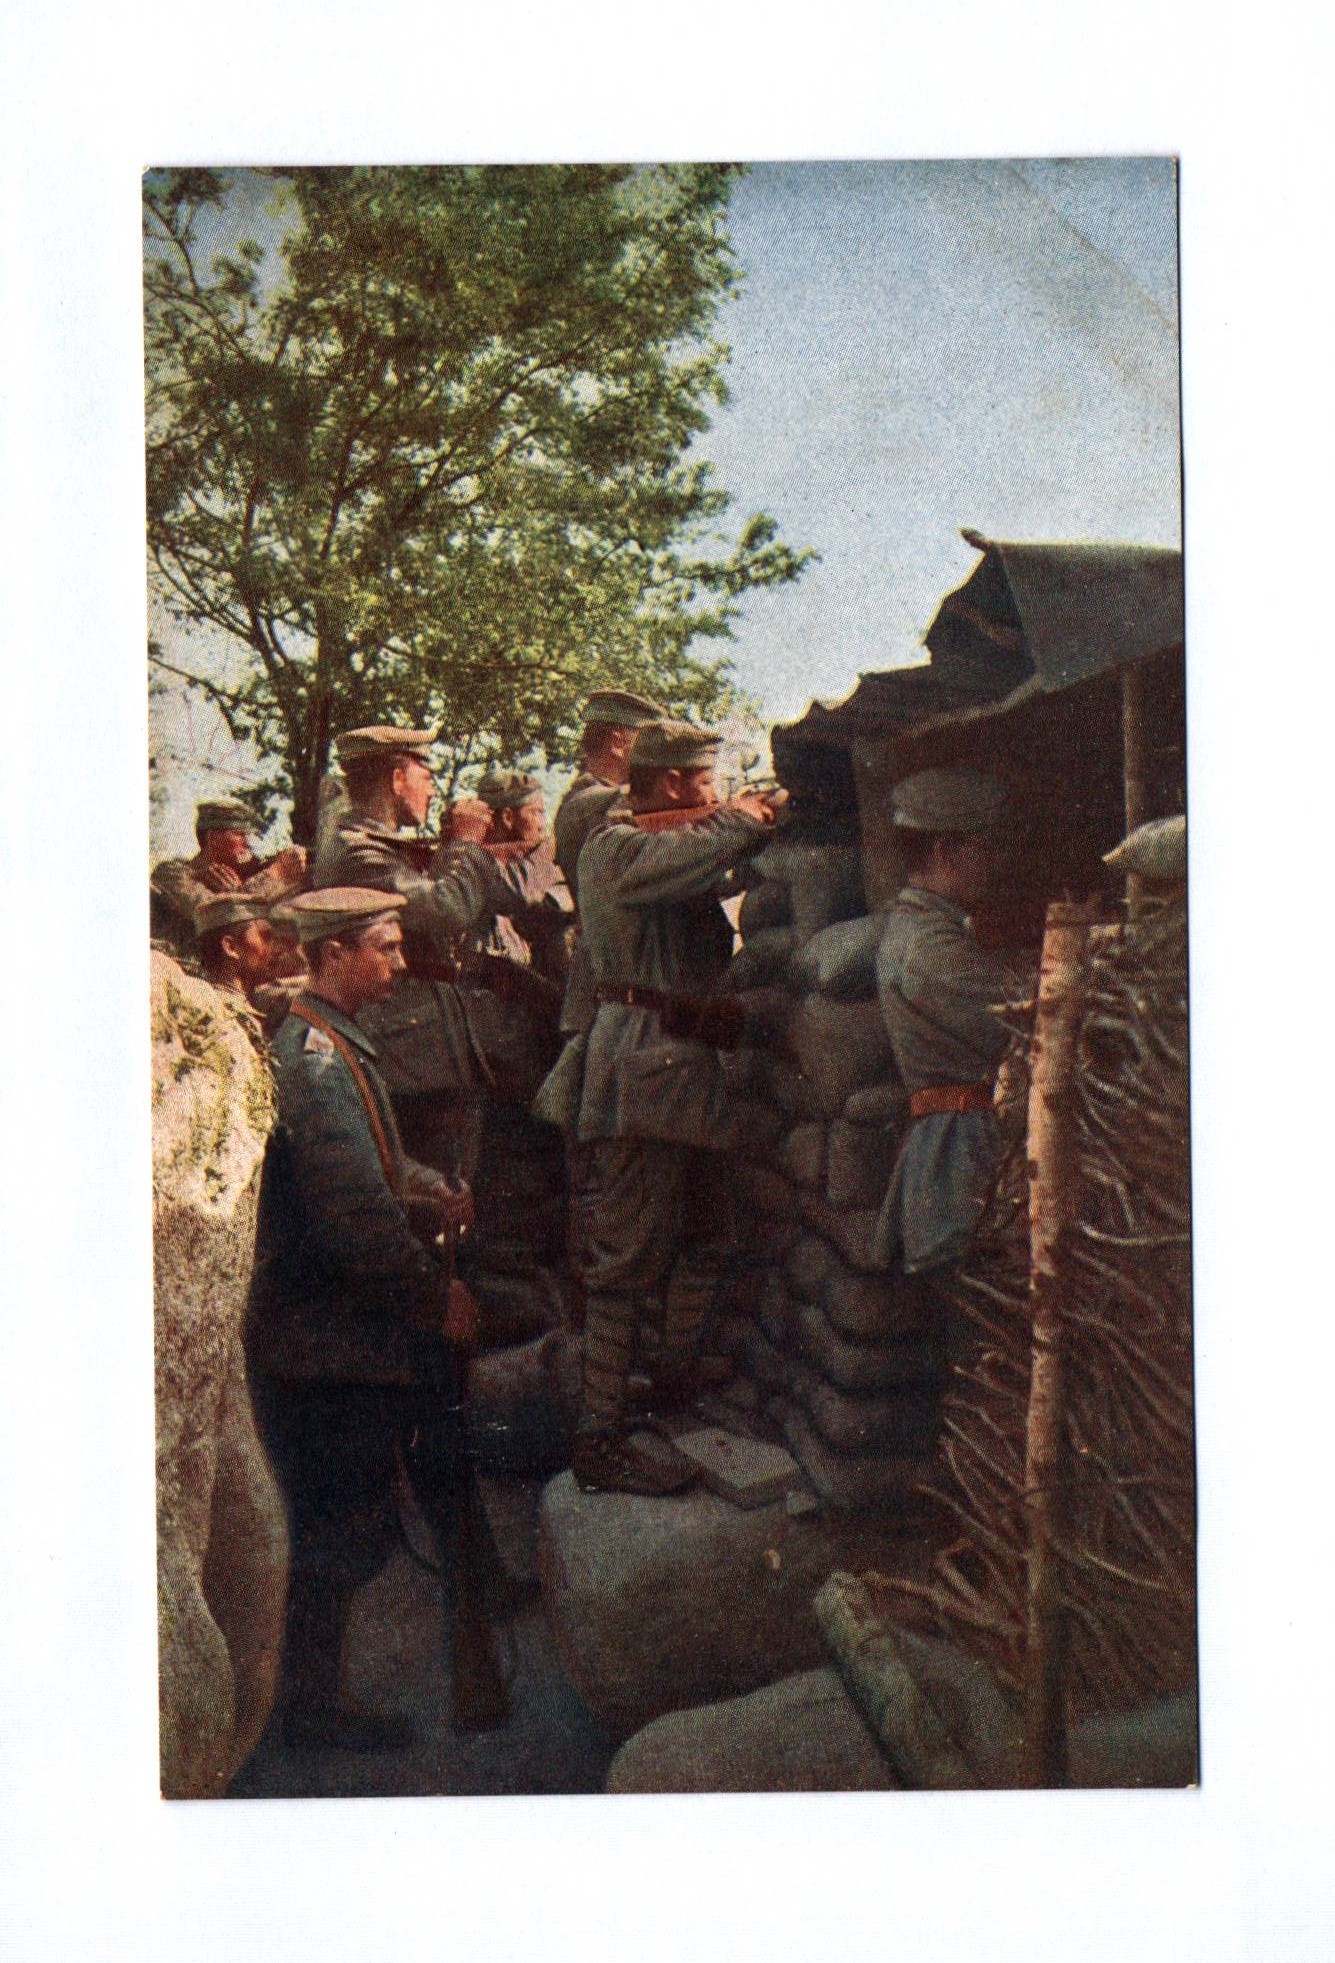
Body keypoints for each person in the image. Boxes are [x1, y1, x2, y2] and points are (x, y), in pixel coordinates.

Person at [247, 886, 509, 1751]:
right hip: (330, 1340)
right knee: (338, 1526)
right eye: (384, 947)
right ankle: (306, 1709)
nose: (399, 962)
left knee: (404, 1481)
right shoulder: (318, 1063)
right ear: (332, 955)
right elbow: (357, 1217)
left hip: (345, 1323)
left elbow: (375, 1170)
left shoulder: (334, 1044)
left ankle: (476, 1598)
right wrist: (436, 1299)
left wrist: (430, 1187)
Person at [566, 718, 785, 1495]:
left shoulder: (675, 848)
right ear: (669, 784)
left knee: (710, 1234)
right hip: (642, 1070)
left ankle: (665, 1386)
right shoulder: (612, 845)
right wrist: (741, 818)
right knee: (625, 1260)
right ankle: (598, 1438)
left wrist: (764, 827)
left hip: (683, 1073)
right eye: (705, 782)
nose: (715, 794)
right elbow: (683, 857)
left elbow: (710, 869)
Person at [312, 726, 555, 1180]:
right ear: (396, 777)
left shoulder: (374, 845)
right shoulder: (357, 852)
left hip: (423, 1050)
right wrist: (463, 843)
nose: (433, 789)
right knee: (433, 1194)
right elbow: (448, 910)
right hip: (411, 1060)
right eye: (426, 774)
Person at [871, 768, 1026, 1278]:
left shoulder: (933, 931)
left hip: (961, 1153)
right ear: (946, 851)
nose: (995, 864)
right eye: (985, 848)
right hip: (959, 1160)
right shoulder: (929, 946)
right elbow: (1021, 1019)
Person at [151, 797, 307, 957]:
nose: (247, 843)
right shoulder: (172, 873)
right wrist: (275, 874)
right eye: (239, 834)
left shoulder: (240, 878)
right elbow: (216, 916)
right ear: (212, 838)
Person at [193, 893, 301, 1043]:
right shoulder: (217, 1016)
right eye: (265, 937)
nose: (276, 948)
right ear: (231, 947)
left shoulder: (232, 1009)